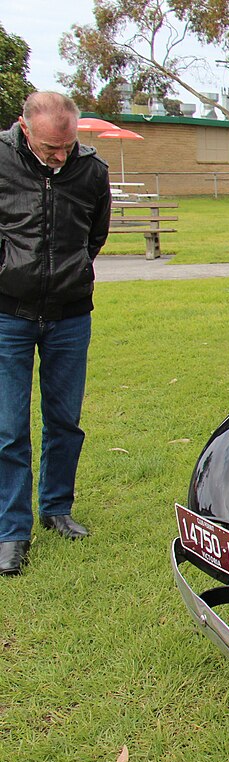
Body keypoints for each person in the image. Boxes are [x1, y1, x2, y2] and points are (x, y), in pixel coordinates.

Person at [0, 92, 111, 575]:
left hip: (69, 315)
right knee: (8, 428)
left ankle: (56, 508)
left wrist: (69, 273)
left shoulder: (91, 171)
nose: (60, 157)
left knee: (65, 420)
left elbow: (95, 235)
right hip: (8, 316)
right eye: (50, 148)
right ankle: (11, 531)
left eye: (68, 146)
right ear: (25, 130)